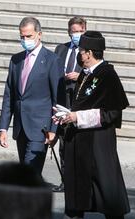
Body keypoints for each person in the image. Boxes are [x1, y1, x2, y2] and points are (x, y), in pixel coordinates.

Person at [44, 31, 131, 219]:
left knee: (106, 189)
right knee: (75, 187)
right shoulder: (84, 73)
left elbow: (112, 113)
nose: (79, 54)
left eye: (81, 51)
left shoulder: (107, 75)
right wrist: (66, 116)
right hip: (78, 141)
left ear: (90, 53)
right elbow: (79, 105)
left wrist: (77, 117)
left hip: (98, 144)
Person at [0, 17, 64, 174]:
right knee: (27, 175)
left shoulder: (52, 60)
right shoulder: (16, 60)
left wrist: (54, 129)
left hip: (40, 129)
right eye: (22, 36)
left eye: (29, 36)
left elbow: (58, 98)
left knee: (29, 173)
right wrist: (3, 128)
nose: (25, 40)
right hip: (21, 127)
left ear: (39, 34)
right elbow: (9, 95)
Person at [52, 17, 87, 192]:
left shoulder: (89, 51)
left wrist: (79, 77)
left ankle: (80, 181)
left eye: (80, 31)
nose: (77, 35)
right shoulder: (60, 49)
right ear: (68, 32)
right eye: (74, 31)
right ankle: (65, 181)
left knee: (79, 144)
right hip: (63, 100)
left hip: (81, 102)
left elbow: (96, 75)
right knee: (64, 144)